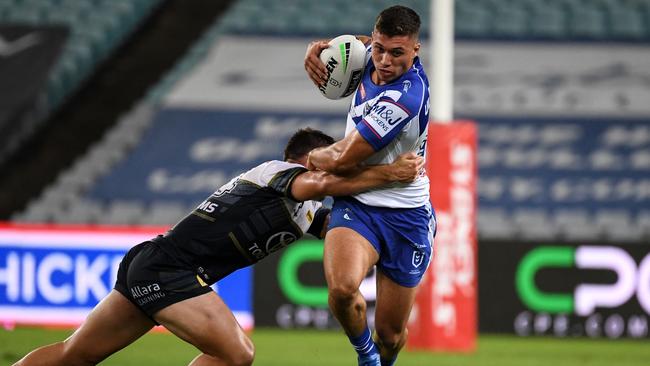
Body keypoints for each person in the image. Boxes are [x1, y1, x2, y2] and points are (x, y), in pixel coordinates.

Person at [13, 128, 424, 366]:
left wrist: (401, 225)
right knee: (237, 355)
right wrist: (388, 174)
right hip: (169, 269)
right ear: (311, 159)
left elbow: (348, 230)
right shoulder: (278, 173)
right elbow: (321, 183)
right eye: (331, 158)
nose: (337, 164)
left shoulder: (305, 212)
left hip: (155, 263)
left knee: (74, 356)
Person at [303, 5, 434, 366]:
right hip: (358, 204)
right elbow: (354, 46)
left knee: (390, 335)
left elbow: (343, 159)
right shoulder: (371, 56)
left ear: (415, 51)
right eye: (379, 49)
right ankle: (366, 357)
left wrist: (315, 156)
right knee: (343, 289)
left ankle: (381, 357)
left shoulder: (406, 97)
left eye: (397, 53)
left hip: (406, 216)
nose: (385, 61)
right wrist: (321, 48)